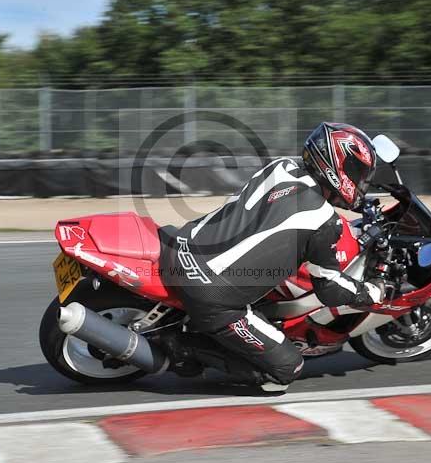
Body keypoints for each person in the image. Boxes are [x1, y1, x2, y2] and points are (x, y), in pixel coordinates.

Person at [160, 123, 385, 391]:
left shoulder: (280, 167)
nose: (359, 181)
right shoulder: (325, 223)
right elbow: (331, 291)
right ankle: (179, 347)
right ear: (337, 164)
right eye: (357, 172)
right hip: (210, 293)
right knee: (288, 369)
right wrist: (370, 293)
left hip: (183, 243)